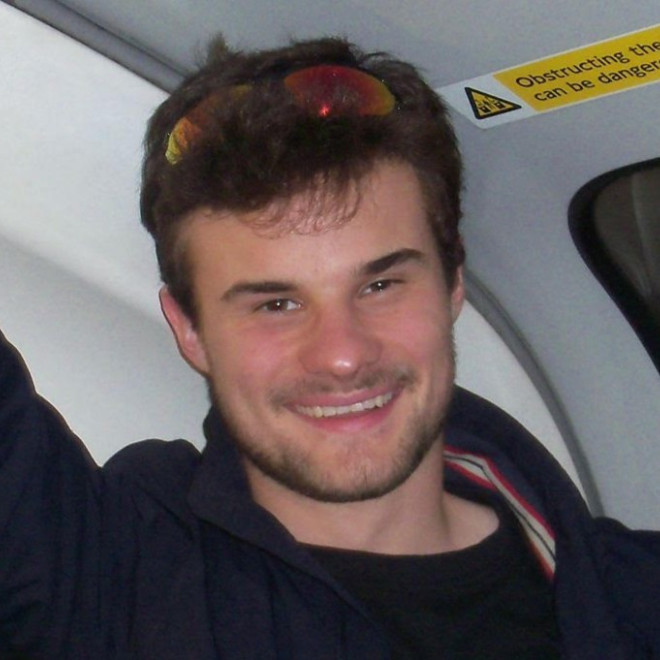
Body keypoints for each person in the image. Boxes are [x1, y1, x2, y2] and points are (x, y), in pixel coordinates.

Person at [1, 35, 659, 659]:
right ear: (190, 330)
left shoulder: (635, 598)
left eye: (380, 285)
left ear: (452, 282)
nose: (342, 356)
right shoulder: (111, 583)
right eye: (276, 305)